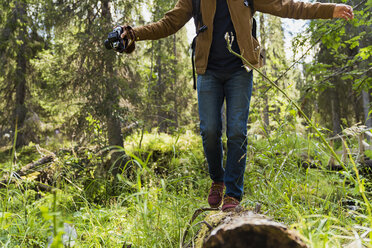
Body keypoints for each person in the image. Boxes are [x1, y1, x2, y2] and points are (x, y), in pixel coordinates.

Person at [120, 0, 354, 211]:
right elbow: (168, 23)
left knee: (237, 131)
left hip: (240, 70)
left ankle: (233, 194)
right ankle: (218, 180)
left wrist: (329, 10)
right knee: (209, 130)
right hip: (208, 72)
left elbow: (286, 6)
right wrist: (134, 34)